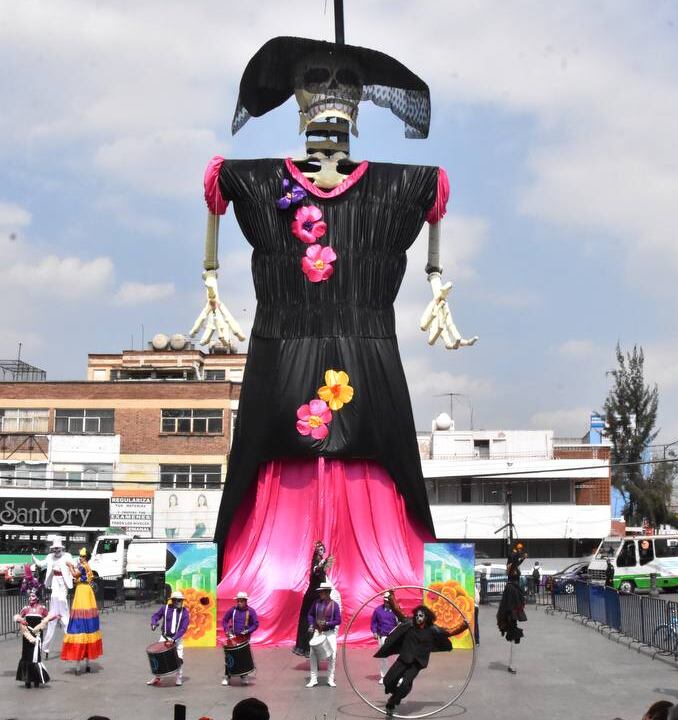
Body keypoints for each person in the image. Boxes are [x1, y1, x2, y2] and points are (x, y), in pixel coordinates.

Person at [209, 35, 470, 652]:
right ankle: (275, 571)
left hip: (367, 335)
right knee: (271, 445)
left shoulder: (400, 185)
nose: (330, 101)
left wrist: (439, 288)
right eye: (318, 83)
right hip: (284, 334)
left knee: (378, 443)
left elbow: (433, 223)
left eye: (341, 86)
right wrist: (212, 286)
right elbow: (219, 204)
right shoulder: (260, 180)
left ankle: (370, 575)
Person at [373, 591, 468, 718]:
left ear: (426, 617)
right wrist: (391, 596)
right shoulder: (409, 623)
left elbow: (449, 632)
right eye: (417, 616)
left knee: (406, 684)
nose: (418, 618)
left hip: (417, 663)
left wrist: (463, 626)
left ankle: (392, 703)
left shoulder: (432, 630)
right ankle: (397, 694)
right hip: (404, 658)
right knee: (388, 681)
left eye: (421, 616)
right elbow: (397, 610)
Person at [60, 548, 103, 673]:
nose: (80, 557)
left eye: (82, 556)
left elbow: (74, 575)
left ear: (86, 557)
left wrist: (69, 566)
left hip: (83, 591)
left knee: (80, 620)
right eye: (80, 555)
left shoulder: (83, 566)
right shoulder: (86, 565)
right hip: (86, 592)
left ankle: (79, 664)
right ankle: (87, 662)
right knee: (88, 623)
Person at [33, 537, 74, 651]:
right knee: (54, 602)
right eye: (54, 549)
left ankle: (70, 644)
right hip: (55, 581)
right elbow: (41, 564)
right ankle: (46, 646)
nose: (56, 551)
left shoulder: (67, 556)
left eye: (58, 549)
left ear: (61, 548)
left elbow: (74, 565)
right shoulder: (50, 557)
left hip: (64, 582)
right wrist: (34, 559)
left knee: (63, 607)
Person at [293, 541, 332, 657]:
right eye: (319, 549)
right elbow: (316, 569)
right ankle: (308, 647)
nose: (321, 551)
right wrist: (322, 564)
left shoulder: (321, 564)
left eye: (322, 549)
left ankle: (315, 648)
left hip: (318, 596)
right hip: (313, 598)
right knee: (309, 622)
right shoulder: (316, 562)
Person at [15, 590, 56, 688]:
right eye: (29, 596)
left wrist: (56, 617)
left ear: (37, 598)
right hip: (27, 636)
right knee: (27, 656)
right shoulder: (26, 609)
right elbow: (18, 617)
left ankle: (37, 679)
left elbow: (49, 616)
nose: (30, 598)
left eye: (32, 596)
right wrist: (21, 620)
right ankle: (27, 680)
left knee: (36, 657)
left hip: (37, 636)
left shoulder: (42, 608)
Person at [149, 591, 190, 687]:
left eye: (181, 600)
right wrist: (153, 623)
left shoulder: (185, 612)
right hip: (164, 637)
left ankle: (179, 677)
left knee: (178, 659)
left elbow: (183, 628)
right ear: (173, 600)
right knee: (159, 657)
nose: (180, 602)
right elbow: (156, 616)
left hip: (177, 639)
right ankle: (157, 677)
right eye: (178, 600)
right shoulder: (165, 608)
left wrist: (174, 639)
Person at [497, 549, 527, 674]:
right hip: (511, 592)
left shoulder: (513, 565)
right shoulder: (510, 566)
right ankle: (511, 664)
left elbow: (517, 563)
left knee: (514, 622)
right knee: (511, 618)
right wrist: (519, 555)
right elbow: (515, 563)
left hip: (515, 591)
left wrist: (523, 558)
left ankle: (512, 663)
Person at [305, 582, 340, 688]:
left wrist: (328, 623)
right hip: (318, 632)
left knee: (332, 655)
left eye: (322, 592)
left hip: (329, 633)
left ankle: (330, 679)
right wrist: (311, 624)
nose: (320, 593)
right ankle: (313, 679)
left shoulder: (334, 605)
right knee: (313, 655)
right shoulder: (316, 603)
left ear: (327, 592)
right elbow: (310, 615)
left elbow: (338, 620)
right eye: (320, 592)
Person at [221, 591, 259, 686]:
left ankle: (244, 676)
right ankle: (227, 676)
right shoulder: (232, 610)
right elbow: (224, 620)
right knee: (229, 657)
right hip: (233, 637)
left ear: (246, 601)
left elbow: (256, 624)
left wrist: (248, 630)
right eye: (238, 601)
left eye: (241, 601)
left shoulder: (251, 611)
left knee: (243, 657)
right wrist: (226, 631)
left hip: (244, 638)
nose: (239, 603)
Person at [370, 594, 400, 684]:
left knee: (397, 657)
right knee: (383, 657)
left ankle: (399, 676)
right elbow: (374, 622)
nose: (386, 603)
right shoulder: (378, 610)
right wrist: (374, 632)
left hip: (395, 637)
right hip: (383, 636)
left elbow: (402, 622)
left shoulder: (397, 610)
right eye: (385, 601)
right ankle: (384, 676)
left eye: (388, 601)